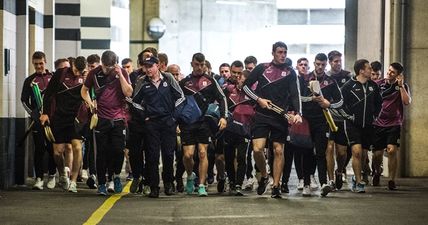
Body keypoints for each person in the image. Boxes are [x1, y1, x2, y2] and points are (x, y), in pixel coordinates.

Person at [242, 41, 302, 198]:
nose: (282, 55)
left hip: (280, 116)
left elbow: (295, 94)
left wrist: (298, 113)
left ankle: (276, 186)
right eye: (280, 52)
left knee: (278, 150)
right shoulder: (262, 68)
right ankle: (264, 175)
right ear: (273, 53)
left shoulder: (290, 72)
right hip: (261, 115)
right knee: (257, 149)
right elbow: (246, 87)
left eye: (285, 52)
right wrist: (259, 99)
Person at [131, 56, 185, 198]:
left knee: (168, 154)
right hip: (152, 124)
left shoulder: (168, 79)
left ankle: (168, 183)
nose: (147, 69)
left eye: (150, 66)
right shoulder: (142, 82)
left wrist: (174, 117)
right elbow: (135, 102)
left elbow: (181, 97)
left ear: (158, 66)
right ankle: (154, 186)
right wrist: (145, 117)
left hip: (168, 122)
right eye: (145, 66)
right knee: (152, 156)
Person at [81, 50, 133, 196]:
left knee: (118, 150)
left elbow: (129, 92)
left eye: (110, 67)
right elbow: (84, 90)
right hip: (101, 118)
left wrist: (120, 75)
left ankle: (116, 176)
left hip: (118, 118)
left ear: (115, 64)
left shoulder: (122, 72)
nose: (107, 70)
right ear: (102, 63)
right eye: (105, 67)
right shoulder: (94, 74)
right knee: (101, 152)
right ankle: (102, 183)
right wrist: (90, 103)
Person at [179, 52, 228, 196]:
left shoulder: (211, 81)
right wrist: (176, 121)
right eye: (196, 64)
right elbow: (177, 103)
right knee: (188, 155)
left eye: (202, 65)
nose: (199, 67)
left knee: (202, 153)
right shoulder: (184, 83)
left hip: (205, 123)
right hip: (188, 123)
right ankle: (189, 176)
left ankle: (201, 185)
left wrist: (224, 117)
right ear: (192, 64)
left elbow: (222, 98)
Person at [40, 56, 87, 192]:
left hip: (76, 118)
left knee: (77, 148)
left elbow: (90, 94)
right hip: (59, 117)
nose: (78, 73)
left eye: (81, 71)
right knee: (57, 152)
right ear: (72, 65)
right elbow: (48, 94)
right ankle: (62, 175)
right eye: (77, 70)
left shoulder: (85, 76)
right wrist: (45, 112)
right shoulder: (61, 74)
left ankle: (73, 181)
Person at [301, 53, 343, 197]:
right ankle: (306, 183)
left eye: (323, 65)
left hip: (322, 121)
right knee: (306, 152)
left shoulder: (331, 81)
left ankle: (324, 183)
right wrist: (311, 99)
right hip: (305, 120)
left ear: (326, 65)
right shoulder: (304, 78)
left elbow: (340, 101)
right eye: (318, 64)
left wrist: (328, 104)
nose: (320, 67)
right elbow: (296, 97)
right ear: (314, 63)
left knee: (321, 152)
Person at [341, 59, 382, 193]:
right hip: (353, 124)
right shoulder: (348, 86)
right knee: (356, 152)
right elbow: (341, 104)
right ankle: (358, 182)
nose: (371, 70)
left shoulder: (373, 86)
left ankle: (356, 177)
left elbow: (378, 103)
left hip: (368, 125)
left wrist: (375, 116)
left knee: (364, 155)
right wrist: (349, 116)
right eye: (369, 68)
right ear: (361, 71)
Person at [372, 62, 411, 190]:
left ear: (398, 75)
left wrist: (400, 86)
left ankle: (391, 180)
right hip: (378, 123)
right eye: (388, 71)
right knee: (377, 155)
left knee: (392, 150)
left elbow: (406, 102)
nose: (389, 73)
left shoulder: (402, 86)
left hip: (394, 123)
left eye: (392, 72)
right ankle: (377, 172)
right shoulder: (379, 84)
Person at [21, 51, 56, 190]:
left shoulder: (53, 77)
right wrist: (34, 114)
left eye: (41, 63)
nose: (39, 66)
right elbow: (24, 100)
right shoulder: (29, 81)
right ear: (32, 64)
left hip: (52, 120)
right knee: (39, 149)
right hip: (37, 121)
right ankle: (39, 178)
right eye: (36, 64)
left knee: (52, 148)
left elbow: (58, 98)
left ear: (45, 62)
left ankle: (52, 175)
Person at [127, 47, 158, 195]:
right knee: (134, 152)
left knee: (151, 153)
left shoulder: (160, 77)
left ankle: (148, 181)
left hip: (153, 121)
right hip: (136, 120)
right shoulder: (133, 76)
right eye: (145, 57)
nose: (148, 59)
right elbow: (130, 97)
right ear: (140, 60)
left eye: (151, 57)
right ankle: (137, 176)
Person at [326, 50, 352, 190]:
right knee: (329, 148)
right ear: (330, 62)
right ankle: (330, 180)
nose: (338, 63)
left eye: (339, 61)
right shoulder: (326, 77)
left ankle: (339, 171)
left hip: (343, 118)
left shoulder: (348, 76)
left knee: (342, 152)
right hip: (328, 118)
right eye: (335, 61)